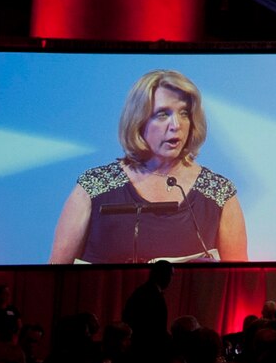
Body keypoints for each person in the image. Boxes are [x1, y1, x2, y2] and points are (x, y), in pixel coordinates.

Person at [49, 70, 248, 264]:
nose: (176, 125)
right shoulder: (93, 187)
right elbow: (52, 279)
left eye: (184, 113)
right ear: (138, 120)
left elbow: (240, 283)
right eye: (163, 114)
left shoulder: (219, 192)